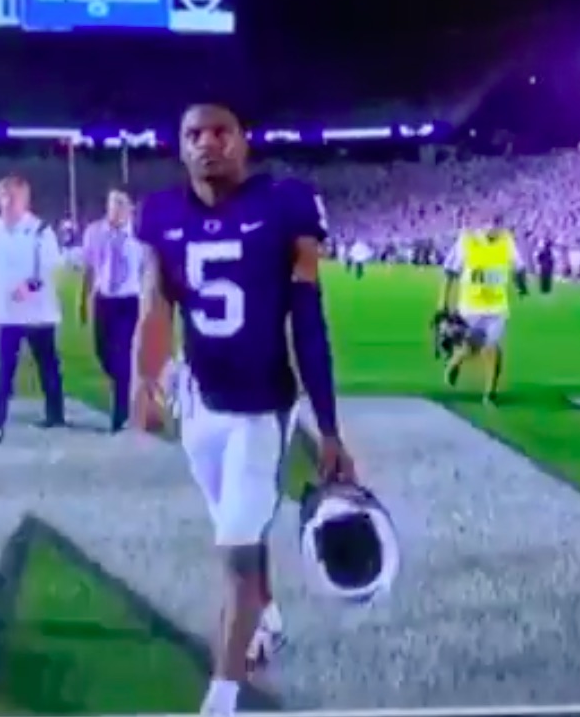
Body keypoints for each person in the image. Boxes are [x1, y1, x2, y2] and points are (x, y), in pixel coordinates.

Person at [130, 103, 357, 717]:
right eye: (194, 134)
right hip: (199, 406)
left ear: (243, 141)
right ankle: (267, 614)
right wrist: (143, 380)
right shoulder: (161, 213)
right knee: (237, 534)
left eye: (220, 132)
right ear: (180, 146)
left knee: (234, 548)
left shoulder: (285, 204)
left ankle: (223, 695)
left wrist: (329, 426)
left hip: (261, 409)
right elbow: (155, 304)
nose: (208, 143)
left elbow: (308, 317)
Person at [0, 175, 67, 444]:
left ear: (25, 199)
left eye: (13, 197)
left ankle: (55, 414)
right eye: (3, 196)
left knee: (47, 366)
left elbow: (50, 270)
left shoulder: (41, 230)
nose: (7, 202)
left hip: (39, 314)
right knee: (1, 371)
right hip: (5, 316)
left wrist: (28, 288)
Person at [439, 216, 528, 405]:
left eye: (496, 224)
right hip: (470, 307)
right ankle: (455, 361)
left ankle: (490, 392)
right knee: (471, 347)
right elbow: (449, 271)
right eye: (488, 223)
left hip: (496, 308)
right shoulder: (467, 240)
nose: (492, 228)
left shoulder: (506, 240)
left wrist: (521, 286)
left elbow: (519, 267)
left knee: (492, 346)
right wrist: (442, 303)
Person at [80, 188, 142, 433]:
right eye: (112, 203)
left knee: (123, 356)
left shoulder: (140, 235)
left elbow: (149, 269)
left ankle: (121, 415)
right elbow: (89, 268)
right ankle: (126, 383)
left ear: (130, 208)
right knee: (103, 353)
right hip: (104, 299)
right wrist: (84, 299)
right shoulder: (95, 232)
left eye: (120, 203)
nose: (115, 208)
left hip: (130, 300)